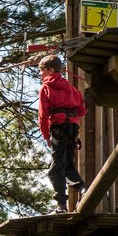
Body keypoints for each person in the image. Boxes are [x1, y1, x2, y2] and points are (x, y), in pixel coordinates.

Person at [37, 54, 87, 213]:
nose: (40, 74)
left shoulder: (46, 88)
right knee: (68, 165)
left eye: (42, 70)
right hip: (72, 128)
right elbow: (82, 110)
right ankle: (83, 189)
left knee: (55, 169)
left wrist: (46, 135)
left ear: (50, 70)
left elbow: (43, 115)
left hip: (58, 128)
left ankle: (61, 206)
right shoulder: (72, 89)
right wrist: (72, 122)